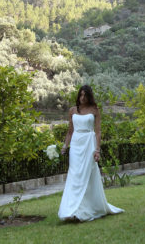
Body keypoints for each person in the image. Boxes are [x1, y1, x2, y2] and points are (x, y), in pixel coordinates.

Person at [58, 85, 124, 221]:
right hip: (76, 145)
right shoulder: (72, 110)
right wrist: (65, 146)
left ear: (89, 96)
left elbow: (98, 131)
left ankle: (85, 210)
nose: (82, 98)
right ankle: (72, 210)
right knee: (75, 176)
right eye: (81, 95)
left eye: (85, 95)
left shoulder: (95, 110)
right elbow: (70, 131)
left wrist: (97, 150)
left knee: (87, 176)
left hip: (89, 143)